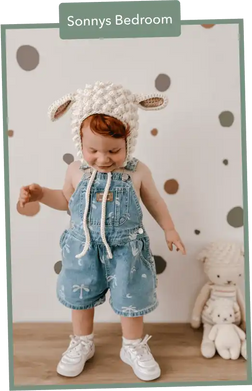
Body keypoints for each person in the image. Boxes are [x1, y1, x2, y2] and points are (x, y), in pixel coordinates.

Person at [19, 81, 186, 382]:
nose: (103, 158)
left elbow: (155, 202)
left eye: (114, 150)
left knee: (131, 299)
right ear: (79, 142)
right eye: (92, 150)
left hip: (127, 250)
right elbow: (66, 201)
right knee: (81, 298)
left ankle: (132, 346)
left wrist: (170, 229)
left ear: (128, 141)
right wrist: (41, 193)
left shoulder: (137, 171)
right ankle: (83, 342)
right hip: (83, 247)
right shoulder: (75, 170)